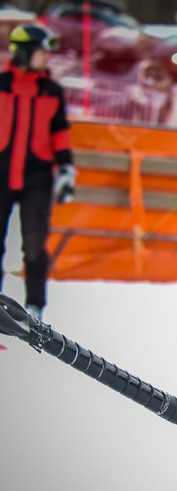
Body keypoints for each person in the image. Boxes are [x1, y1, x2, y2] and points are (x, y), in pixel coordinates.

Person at [0, 24, 75, 321]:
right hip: (1, 174)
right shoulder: (1, 84)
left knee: (33, 245)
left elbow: (60, 133)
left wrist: (66, 169)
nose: (46, 58)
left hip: (37, 179)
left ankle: (35, 308)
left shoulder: (51, 91)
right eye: (42, 52)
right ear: (24, 52)